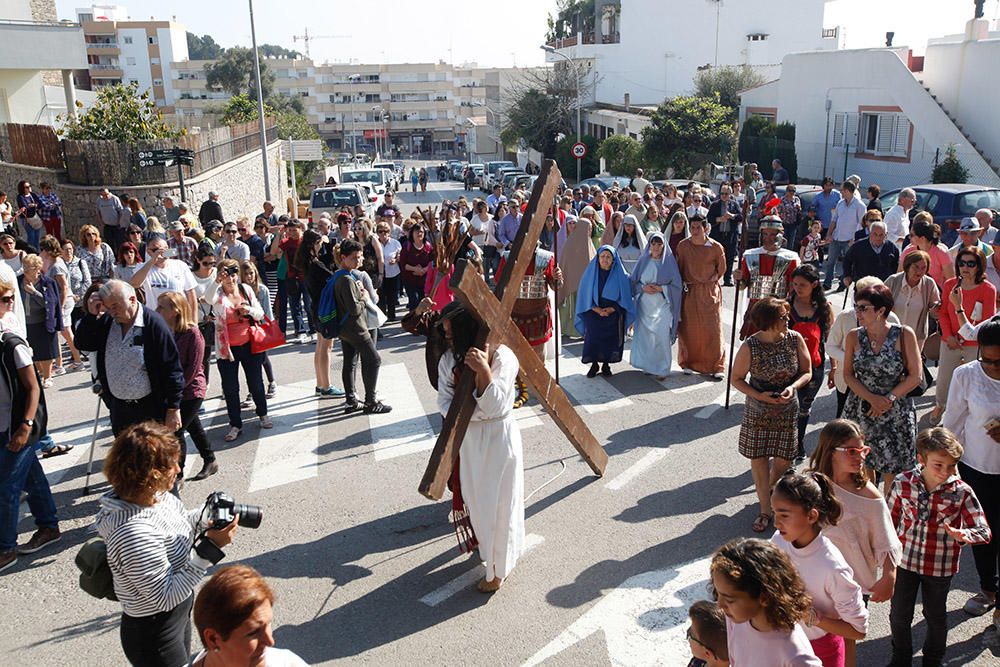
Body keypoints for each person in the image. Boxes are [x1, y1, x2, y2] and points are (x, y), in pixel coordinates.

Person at [96, 421, 238, 666]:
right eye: (170, 464)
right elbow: (165, 596)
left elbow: (180, 523)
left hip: (177, 613)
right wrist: (210, 550)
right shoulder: (133, 532)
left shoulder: (154, 496)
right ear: (149, 473)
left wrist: (207, 517)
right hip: (155, 631)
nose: (177, 468)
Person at [436, 301, 523, 593]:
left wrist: (483, 370)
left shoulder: (503, 357)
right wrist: (472, 413)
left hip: (499, 439)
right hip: (470, 442)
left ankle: (497, 571)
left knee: (501, 505)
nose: (448, 340)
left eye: (451, 334)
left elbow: (497, 404)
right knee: (478, 504)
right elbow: (444, 404)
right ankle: (493, 556)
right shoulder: (449, 360)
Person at [887, 427, 991, 667]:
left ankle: (933, 660)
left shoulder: (962, 492)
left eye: (952, 465)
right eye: (938, 465)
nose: (946, 472)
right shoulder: (903, 483)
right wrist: (883, 554)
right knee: (899, 615)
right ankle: (900, 658)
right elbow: (889, 521)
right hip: (905, 562)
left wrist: (962, 534)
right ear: (920, 459)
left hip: (940, 567)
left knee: (935, 616)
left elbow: (983, 530)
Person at [809, 420, 902, 667]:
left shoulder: (869, 495)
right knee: (810, 633)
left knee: (846, 635)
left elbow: (886, 539)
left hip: (854, 582)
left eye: (863, 450)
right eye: (852, 451)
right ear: (830, 451)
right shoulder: (811, 487)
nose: (860, 457)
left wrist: (889, 575)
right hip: (814, 577)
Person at [731, 298, 811, 533]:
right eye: (783, 317)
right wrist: (760, 395)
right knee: (759, 457)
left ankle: (769, 488)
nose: (788, 320)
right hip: (759, 410)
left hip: (787, 409)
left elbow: (806, 371)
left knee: (784, 459)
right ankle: (765, 510)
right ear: (768, 321)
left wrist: (793, 387)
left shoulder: (795, 339)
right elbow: (736, 379)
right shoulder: (750, 346)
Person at [770, 472, 868, 665]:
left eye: (784, 515)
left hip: (821, 652)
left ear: (812, 515)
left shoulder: (832, 567)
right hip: (782, 643)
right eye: (774, 513)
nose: (776, 522)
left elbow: (858, 630)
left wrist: (812, 617)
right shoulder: (778, 540)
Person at [939, 320, 1000, 629]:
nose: (991, 366)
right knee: (985, 534)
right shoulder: (966, 376)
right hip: (977, 469)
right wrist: (944, 467)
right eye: (985, 359)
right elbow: (952, 424)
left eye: (998, 361)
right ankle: (988, 588)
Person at [0, 278, 61, 573]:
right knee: (31, 478)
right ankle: (48, 526)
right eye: (5, 299)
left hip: (16, 426)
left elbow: (34, 388)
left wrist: (25, 426)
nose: (10, 303)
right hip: (3, 426)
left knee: (7, 488)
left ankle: (6, 548)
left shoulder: (12, 344)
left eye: (11, 298)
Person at [75, 280, 184, 435]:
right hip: (119, 408)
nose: (112, 312)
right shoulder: (108, 321)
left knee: (156, 455)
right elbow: (84, 344)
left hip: (151, 407)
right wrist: (91, 317)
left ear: (132, 300)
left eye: (115, 306)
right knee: (126, 457)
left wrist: (173, 408)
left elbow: (172, 369)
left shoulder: (154, 324)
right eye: (108, 307)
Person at [842, 284, 921, 490]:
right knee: (861, 467)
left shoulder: (904, 334)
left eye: (863, 308)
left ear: (881, 311)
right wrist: (871, 398)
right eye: (856, 306)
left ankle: (889, 514)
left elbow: (915, 376)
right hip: (861, 408)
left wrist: (887, 400)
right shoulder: (853, 336)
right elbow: (848, 375)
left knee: (892, 471)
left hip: (895, 409)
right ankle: (870, 510)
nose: (857, 312)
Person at [710, 538, 821, 666]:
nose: (720, 605)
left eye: (729, 599)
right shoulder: (735, 619)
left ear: (765, 597)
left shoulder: (795, 655)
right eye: (718, 594)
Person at [191, 564, 307, 667]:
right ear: (213, 639)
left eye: (269, 624)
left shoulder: (287, 663)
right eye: (253, 632)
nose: (270, 641)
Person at [931, 247, 996, 426]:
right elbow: (943, 313)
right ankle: (940, 405)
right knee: (944, 378)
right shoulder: (950, 285)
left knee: (971, 379)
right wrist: (949, 336)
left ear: (979, 266)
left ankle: (969, 409)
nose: (965, 267)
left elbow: (986, 322)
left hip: (973, 344)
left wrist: (964, 337)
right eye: (961, 263)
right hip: (949, 341)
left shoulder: (988, 289)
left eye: (970, 263)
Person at [155, 291, 215, 482]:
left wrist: (174, 391)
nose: (156, 310)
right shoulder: (164, 330)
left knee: (176, 430)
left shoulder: (192, 333)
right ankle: (210, 460)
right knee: (194, 427)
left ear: (175, 310)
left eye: (161, 307)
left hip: (191, 390)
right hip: (173, 390)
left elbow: (194, 368)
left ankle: (178, 473)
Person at [496, 240, 563, 407]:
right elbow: (499, 283)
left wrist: (558, 279)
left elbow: (555, 286)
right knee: (512, 354)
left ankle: (537, 385)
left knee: (537, 354)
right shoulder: (508, 257)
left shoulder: (546, 258)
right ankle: (519, 386)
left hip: (538, 316)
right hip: (515, 315)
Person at [211, 259, 272, 441]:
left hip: (249, 344)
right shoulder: (218, 294)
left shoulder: (246, 289)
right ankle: (235, 425)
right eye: (225, 274)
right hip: (226, 348)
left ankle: (263, 414)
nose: (230, 278)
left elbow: (261, 313)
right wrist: (216, 281)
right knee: (230, 388)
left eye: (233, 273)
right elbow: (207, 299)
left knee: (256, 383)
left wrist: (249, 310)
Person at [335, 239, 390, 414]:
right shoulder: (347, 279)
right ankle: (370, 402)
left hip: (344, 328)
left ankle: (351, 400)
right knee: (374, 360)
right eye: (354, 258)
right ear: (343, 258)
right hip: (356, 328)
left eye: (360, 257)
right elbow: (354, 308)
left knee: (350, 362)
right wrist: (363, 296)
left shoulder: (338, 275)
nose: (359, 261)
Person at [787, 264, 833, 463]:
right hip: (788, 365)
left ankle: (798, 443)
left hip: (815, 365)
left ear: (814, 284)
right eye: (795, 284)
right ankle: (786, 444)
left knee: (804, 407)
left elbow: (830, 340)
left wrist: (835, 368)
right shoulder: (785, 306)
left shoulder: (824, 308)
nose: (798, 288)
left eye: (803, 284)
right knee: (788, 407)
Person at [675, 216, 726, 378]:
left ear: (705, 228)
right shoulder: (683, 246)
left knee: (713, 328)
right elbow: (679, 267)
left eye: (698, 227)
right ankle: (688, 362)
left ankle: (717, 366)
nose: (695, 230)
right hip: (690, 291)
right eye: (692, 227)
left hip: (709, 291)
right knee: (690, 329)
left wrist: (710, 283)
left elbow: (721, 269)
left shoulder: (716, 247)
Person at [575, 245, 636, 378]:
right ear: (597, 258)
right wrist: (596, 309)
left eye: (608, 257)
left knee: (610, 340)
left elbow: (625, 298)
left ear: (614, 260)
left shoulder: (621, 275)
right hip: (593, 311)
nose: (605, 259)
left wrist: (612, 309)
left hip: (612, 312)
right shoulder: (590, 273)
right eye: (602, 256)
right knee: (593, 338)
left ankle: (606, 365)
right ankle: (594, 364)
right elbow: (584, 296)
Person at [297, 230, 345, 400]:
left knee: (320, 347)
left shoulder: (309, 262)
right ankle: (326, 386)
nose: (321, 246)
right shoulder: (315, 264)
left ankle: (320, 383)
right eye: (319, 243)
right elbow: (332, 278)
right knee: (326, 347)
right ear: (312, 245)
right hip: (324, 308)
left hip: (316, 307)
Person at [629, 232, 682, 380]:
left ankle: (663, 368)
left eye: (659, 244)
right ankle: (648, 365)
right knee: (646, 337)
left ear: (664, 246)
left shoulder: (669, 263)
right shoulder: (643, 260)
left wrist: (661, 289)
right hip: (645, 306)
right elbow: (633, 281)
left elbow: (677, 285)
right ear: (650, 245)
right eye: (654, 244)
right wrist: (642, 288)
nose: (656, 247)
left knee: (661, 334)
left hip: (662, 305)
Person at [735, 216, 799, 339]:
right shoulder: (750, 256)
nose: (768, 238)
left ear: (780, 235)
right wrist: (738, 278)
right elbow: (743, 285)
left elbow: (793, 290)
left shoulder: (790, 258)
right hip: (755, 308)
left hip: (778, 309)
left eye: (772, 234)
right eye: (765, 234)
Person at [19, 254, 62, 389]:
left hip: (43, 321)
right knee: (32, 352)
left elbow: (50, 303)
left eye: (37, 268)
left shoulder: (47, 283)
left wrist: (33, 292)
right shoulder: (18, 281)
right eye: (32, 268)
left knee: (46, 351)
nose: (37, 271)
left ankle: (47, 377)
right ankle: (39, 374)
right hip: (25, 323)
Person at [885, 250, 940, 353]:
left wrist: (936, 309)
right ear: (907, 266)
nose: (919, 271)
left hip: (916, 337)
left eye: (923, 268)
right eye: (916, 267)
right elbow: (878, 303)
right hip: (889, 336)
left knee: (911, 367)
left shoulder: (929, 284)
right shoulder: (893, 281)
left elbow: (935, 307)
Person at [129, 237, 198, 317]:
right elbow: (135, 284)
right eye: (155, 250)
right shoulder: (143, 267)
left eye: (164, 250)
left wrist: (194, 321)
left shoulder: (180, 265)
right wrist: (153, 260)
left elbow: (191, 294)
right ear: (148, 251)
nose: (160, 253)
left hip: (179, 316)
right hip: (155, 317)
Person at [239, 261, 278, 399]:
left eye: (251, 273)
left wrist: (269, 329)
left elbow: (268, 312)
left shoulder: (262, 290)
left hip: (260, 328)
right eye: (246, 274)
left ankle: (271, 382)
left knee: (262, 357)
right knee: (250, 362)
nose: (249, 276)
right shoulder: (239, 290)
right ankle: (253, 390)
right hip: (244, 330)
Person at [556, 216, 595, 340]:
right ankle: (570, 330)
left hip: (585, 285)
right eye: (588, 228)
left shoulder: (589, 243)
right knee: (571, 309)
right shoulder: (571, 243)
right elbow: (565, 263)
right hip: (572, 285)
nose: (589, 231)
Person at [823, 181, 866, 291]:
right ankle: (827, 283)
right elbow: (834, 219)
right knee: (830, 261)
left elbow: (861, 224)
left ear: (847, 191)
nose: (840, 192)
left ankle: (843, 284)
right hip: (836, 238)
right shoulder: (840, 203)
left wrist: (854, 239)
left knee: (847, 264)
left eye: (842, 190)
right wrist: (829, 234)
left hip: (849, 240)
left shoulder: (860, 205)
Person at [899, 214, 953, 293]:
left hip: (935, 294)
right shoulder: (908, 251)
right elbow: (899, 275)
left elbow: (950, 279)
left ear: (922, 238)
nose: (909, 238)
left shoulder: (941, 253)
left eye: (912, 235)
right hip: (911, 293)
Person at [840, 220, 899, 287]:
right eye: (875, 234)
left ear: (886, 234)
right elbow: (847, 260)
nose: (878, 238)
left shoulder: (891, 248)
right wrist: (847, 275)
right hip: (863, 286)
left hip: (883, 286)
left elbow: (895, 266)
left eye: (881, 235)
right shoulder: (859, 246)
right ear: (870, 233)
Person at [400, 224, 432, 315]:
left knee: (423, 301)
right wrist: (415, 269)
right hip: (410, 279)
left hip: (424, 280)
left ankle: (423, 321)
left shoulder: (428, 246)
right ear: (412, 234)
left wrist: (424, 270)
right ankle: (413, 321)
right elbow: (403, 263)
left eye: (421, 231)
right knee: (413, 301)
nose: (419, 233)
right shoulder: (407, 246)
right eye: (416, 231)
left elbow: (432, 262)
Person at [687, 600, 730, 667]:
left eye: (691, 635)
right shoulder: (699, 659)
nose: (688, 637)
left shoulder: (698, 662)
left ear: (707, 653)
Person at [61, 238, 91, 329]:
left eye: (70, 249)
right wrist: (70, 296)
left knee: (82, 327)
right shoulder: (59, 264)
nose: (68, 251)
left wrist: (78, 295)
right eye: (66, 249)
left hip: (80, 302)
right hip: (66, 301)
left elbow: (87, 281)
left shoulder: (80, 263)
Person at [376, 222, 401, 321]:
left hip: (393, 272)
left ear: (389, 232)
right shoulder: (375, 243)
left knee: (392, 295)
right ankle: (382, 316)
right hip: (380, 273)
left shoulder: (395, 243)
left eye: (385, 231)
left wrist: (395, 260)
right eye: (380, 231)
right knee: (381, 295)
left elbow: (400, 255)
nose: (383, 234)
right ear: (377, 233)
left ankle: (391, 314)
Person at [15, 180, 43, 250]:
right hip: (26, 219)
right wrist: (34, 205)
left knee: (37, 236)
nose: (29, 188)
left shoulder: (32, 195)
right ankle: (30, 251)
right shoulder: (20, 197)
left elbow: (40, 204)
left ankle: (36, 251)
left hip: (35, 217)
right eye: (27, 187)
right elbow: (25, 206)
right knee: (31, 236)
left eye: (29, 186)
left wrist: (33, 205)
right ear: (22, 188)